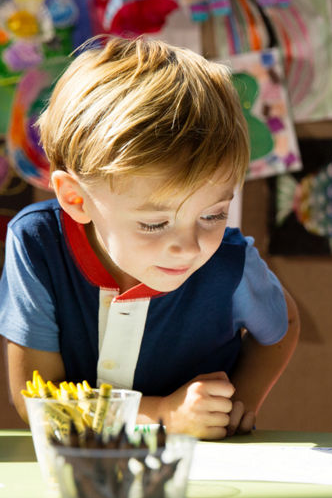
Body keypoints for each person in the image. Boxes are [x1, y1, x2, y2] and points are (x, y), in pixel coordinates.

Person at [0, 35, 300, 440]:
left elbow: (283, 326)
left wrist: (240, 402)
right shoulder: (37, 246)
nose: (190, 246)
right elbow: (35, 401)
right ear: (75, 198)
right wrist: (164, 414)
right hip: (76, 475)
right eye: (155, 224)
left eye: (213, 215)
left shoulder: (230, 262)